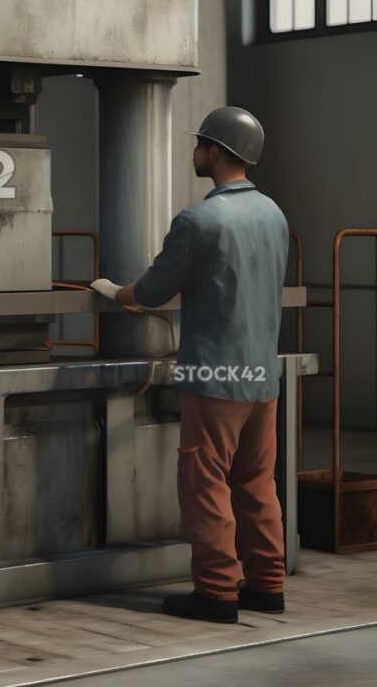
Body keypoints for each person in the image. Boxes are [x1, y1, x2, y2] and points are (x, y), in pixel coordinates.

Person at [91, 106, 288, 625]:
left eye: (200, 144)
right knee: (256, 482)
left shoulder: (199, 220)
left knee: (205, 483)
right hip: (262, 376)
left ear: (216, 153)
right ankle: (267, 584)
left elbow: (154, 291)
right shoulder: (274, 214)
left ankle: (217, 592)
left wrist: (114, 291)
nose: (195, 151)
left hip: (215, 375)